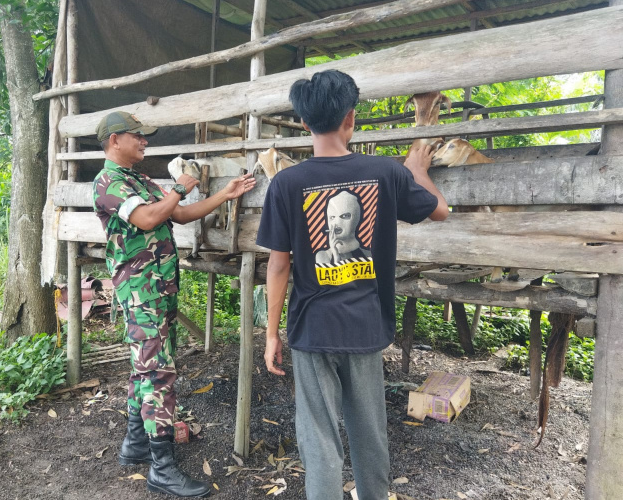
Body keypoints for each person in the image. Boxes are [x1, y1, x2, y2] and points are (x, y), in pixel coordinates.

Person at [257, 70, 448, 500]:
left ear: (304, 123)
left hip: (311, 330)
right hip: (365, 325)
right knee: (369, 434)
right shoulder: (384, 174)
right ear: (351, 118)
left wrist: (271, 334)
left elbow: (278, 266)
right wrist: (416, 168)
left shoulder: (286, 183)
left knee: (320, 442)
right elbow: (440, 211)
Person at [92, 111, 255, 498]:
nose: (145, 142)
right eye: (138, 136)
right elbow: (150, 218)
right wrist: (180, 187)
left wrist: (223, 194)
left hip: (159, 288)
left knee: (145, 368)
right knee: (157, 375)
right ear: (115, 140)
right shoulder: (107, 181)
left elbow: (177, 215)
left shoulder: (138, 179)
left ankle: (135, 446)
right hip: (140, 291)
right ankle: (161, 469)